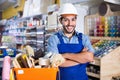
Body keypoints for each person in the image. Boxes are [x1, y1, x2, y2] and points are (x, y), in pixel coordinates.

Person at [47, 3, 94, 80]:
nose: (70, 24)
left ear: (76, 20)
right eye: (66, 20)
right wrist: (81, 59)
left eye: (73, 19)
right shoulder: (54, 39)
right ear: (60, 21)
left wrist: (65, 55)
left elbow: (90, 57)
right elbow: (55, 62)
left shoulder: (84, 38)